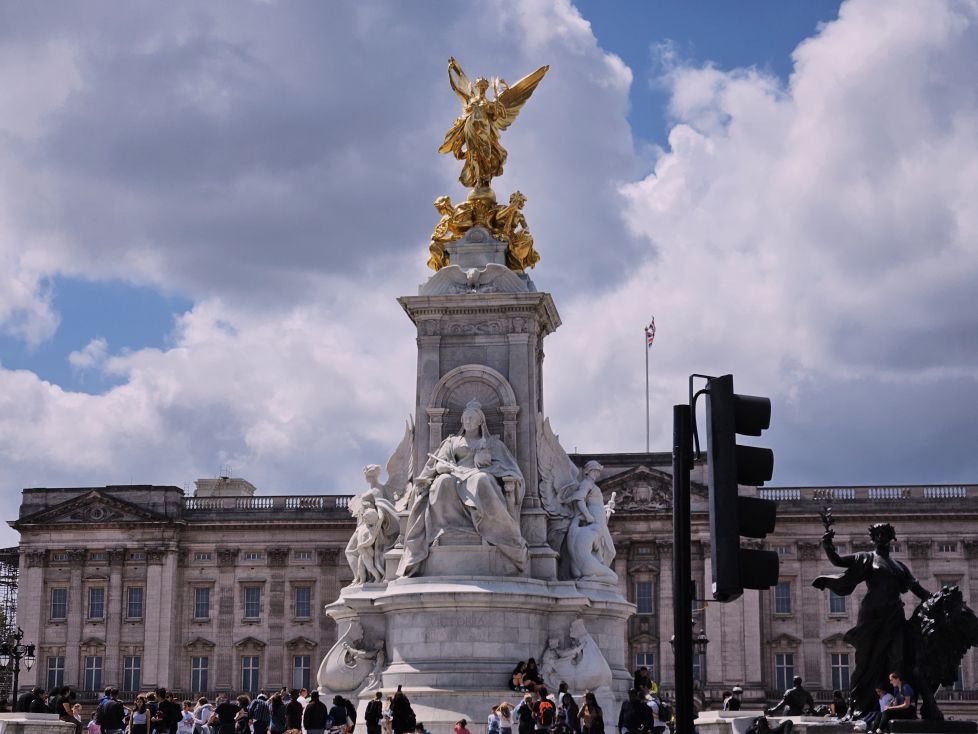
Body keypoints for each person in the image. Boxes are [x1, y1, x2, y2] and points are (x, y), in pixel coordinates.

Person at [399, 399, 528, 576]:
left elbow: (508, 468)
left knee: (482, 479)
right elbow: (436, 464)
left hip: (479, 475)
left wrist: (487, 464)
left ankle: (496, 531)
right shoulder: (451, 442)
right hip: (454, 475)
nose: (467, 421)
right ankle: (448, 529)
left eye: (471, 418)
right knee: (443, 481)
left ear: (480, 421)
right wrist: (441, 468)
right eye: (465, 417)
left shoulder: (492, 443)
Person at [813, 522, 930, 717]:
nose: (881, 537)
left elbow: (918, 590)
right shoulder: (867, 558)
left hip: (894, 615)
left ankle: (898, 703)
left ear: (891, 538)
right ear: (873, 537)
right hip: (871, 616)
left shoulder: (899, 566)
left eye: (886, 533)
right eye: (878, 534)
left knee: (898, 658)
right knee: (865, 661)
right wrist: (827, 544)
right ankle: (857, 701)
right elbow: (839, 561)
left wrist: (937, 599)